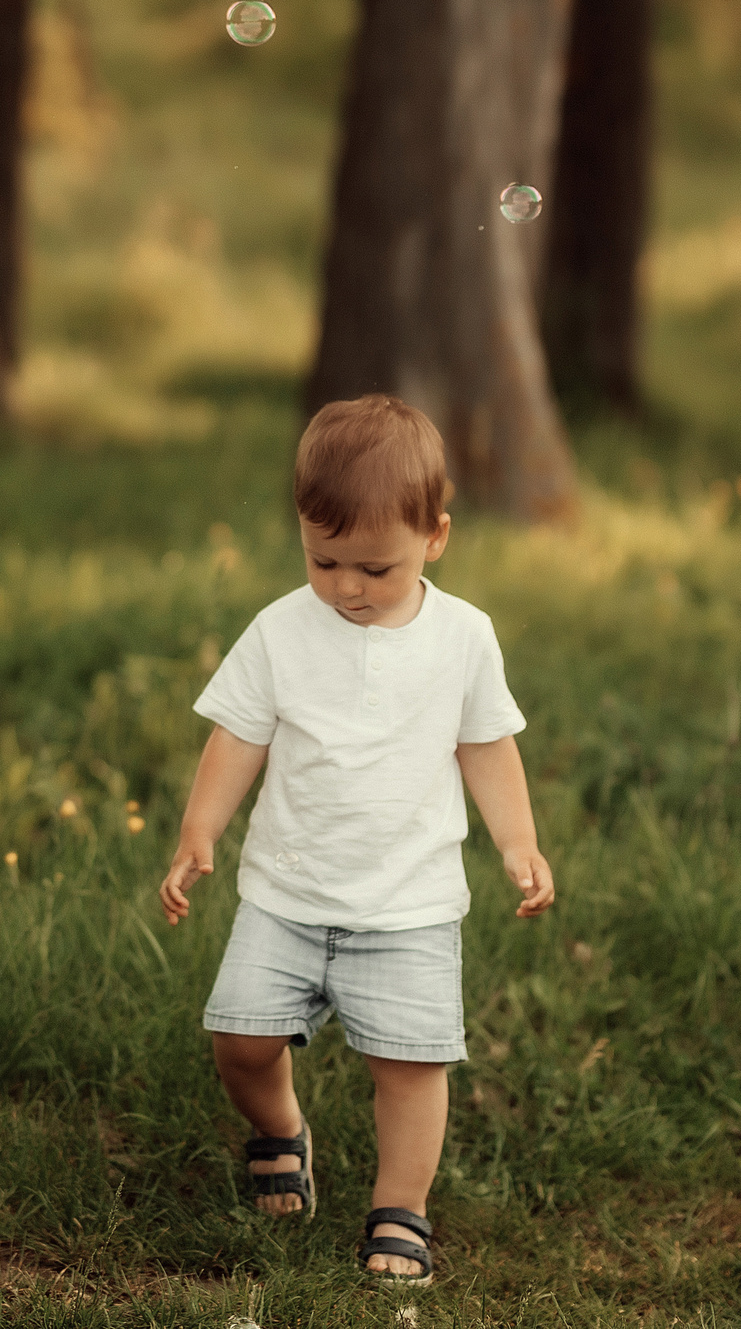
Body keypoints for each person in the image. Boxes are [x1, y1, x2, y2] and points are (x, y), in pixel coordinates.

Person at [158, 394, 557, 1286]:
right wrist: (199, 830)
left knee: (410, 1067)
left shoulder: (463, 638)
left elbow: (486, 746)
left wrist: (518, 841)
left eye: (375, 567)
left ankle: (400, 1207)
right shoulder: (280, 629)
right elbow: (239, 736)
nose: (345, 586)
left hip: (408, 906)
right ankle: (280, 1128)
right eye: (322, 558)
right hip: (285, 896)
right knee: (239, 1039)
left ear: (436, 537)